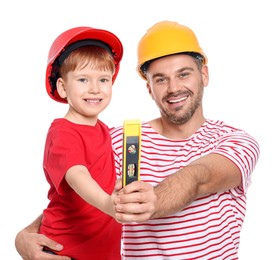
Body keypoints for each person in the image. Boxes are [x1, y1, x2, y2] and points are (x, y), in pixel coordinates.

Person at [15, 21, 260, 259]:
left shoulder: (235, 141)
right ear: (149, 88)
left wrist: (151, 201)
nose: (174, 88)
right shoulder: (120, 140)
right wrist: (26, 234)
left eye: (183, 74)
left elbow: (199, 178)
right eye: (161, 79)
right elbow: (75, 197)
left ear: (203, 75)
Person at [22, 26, 126, 259]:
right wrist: (110, 205)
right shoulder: (63, 132)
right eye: (82, 79)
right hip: (67, 249)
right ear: (62, 87)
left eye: (103, 79)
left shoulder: (104, 130)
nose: (95, 88)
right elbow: (78, 176)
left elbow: (102, 173)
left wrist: (118, 187)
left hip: (103, 250)